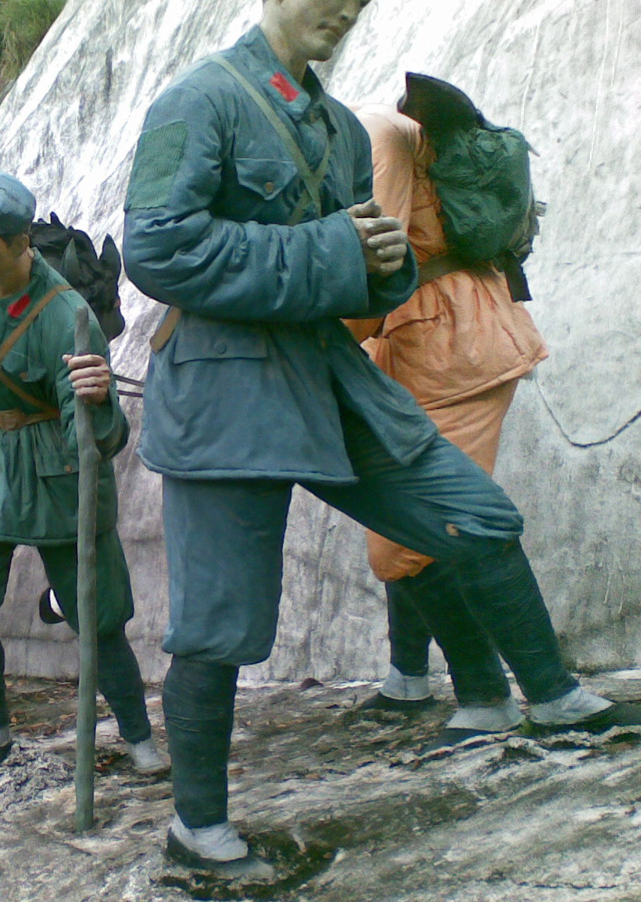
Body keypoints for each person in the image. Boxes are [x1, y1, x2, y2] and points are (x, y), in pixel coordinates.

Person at [122, 0, 640, 880]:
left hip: (330, 376)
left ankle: (549, 700)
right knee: (219, 627)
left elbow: (367, 262)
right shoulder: (198, 100)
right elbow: (156, 248)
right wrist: (330, 249)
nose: (342, 8)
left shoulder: (335, 127)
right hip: (227, 389)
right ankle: (197, 836)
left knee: (476, 514)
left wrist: (385, 261)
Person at [0, 169, 167, 780]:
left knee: (97, 612)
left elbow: (103, 438)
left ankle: (137, 735)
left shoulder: (69, 318)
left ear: (20, 242)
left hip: (54, 465)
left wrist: (97, 400)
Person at [344, 100, 548, 743]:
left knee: (415, 534)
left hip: (456, 350)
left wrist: (319, 339)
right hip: (425, 348)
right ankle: (474, 689)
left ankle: (538, 695)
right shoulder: (378, 135)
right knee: (413, 524)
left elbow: (374, 264)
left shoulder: (375, 137)